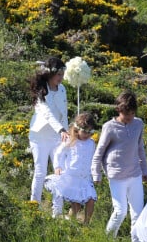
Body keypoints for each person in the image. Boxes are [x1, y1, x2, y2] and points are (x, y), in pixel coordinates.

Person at [91, 90, 147, 242]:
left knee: (138, 213)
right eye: (126, 114)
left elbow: (140, 148)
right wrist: (96, 174)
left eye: (131, 113)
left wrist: (145, 171)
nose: (129, 117)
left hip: (135, 174)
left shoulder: (138, 124)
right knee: (120, 211)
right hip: (116, 176)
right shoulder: (109, 127)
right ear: (118, 110)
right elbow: (99, 152)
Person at [44, 112, 97, 223]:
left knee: (91, 199)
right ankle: (70, 223)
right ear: (77, 129)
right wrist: (58, 166)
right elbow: (58, 153)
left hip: (85, 179)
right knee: (76, 206)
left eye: (90, 132)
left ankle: (86, 224)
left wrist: (96, 173)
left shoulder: (91, 143)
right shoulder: (71, 141)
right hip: (72, 178)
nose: (87, 135)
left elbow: (94, 159)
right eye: (85, 131)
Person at [28, 57, 69, 203]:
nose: (61, 78)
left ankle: (57, 209)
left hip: (58, 137)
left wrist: (67, 132)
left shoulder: (62, 89)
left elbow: (63, 112)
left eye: (62, 74)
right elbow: (47, 113)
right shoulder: (41, 90)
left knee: (60, 171)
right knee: (40, 172)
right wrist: (61, 130)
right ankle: (34, 205)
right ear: (50, 73)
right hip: (39, 137)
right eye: (58, 74)